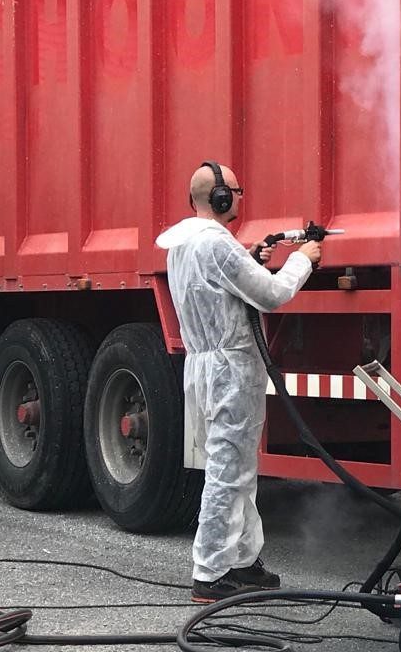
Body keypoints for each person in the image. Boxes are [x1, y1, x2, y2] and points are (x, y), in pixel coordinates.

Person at [155, 161, 321, 604]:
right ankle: (210, 574)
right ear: (222, 198)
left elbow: (219, 289)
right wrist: (302, 262)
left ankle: (242, 561)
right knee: (229, 472)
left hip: (204, 365)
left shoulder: (182, 244)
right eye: (237, 191)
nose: (240, 199)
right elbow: (271, 295)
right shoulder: (217, 244)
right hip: (232, 367)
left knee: (236, 469)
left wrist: (249, 262)